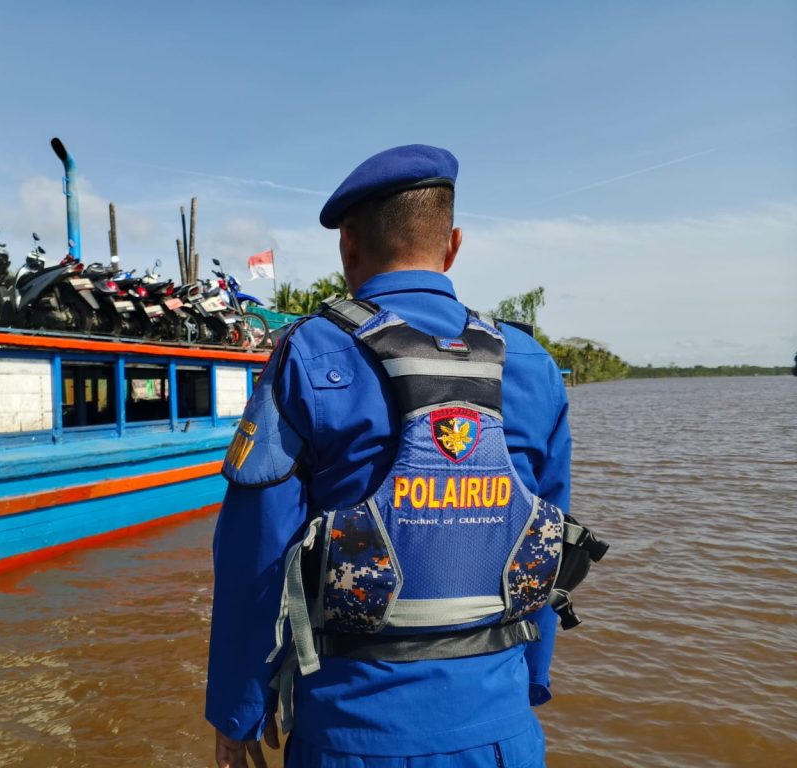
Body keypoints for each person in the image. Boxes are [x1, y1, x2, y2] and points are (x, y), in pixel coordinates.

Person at [207, 145, 603, 768]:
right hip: (502, 736)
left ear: (347, 247)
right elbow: (548, 549)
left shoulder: (308, 355)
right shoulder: (531, 364)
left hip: (350, 737)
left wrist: (239, 713)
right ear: (453, 246)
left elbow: (254, 557)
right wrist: (527, 682)